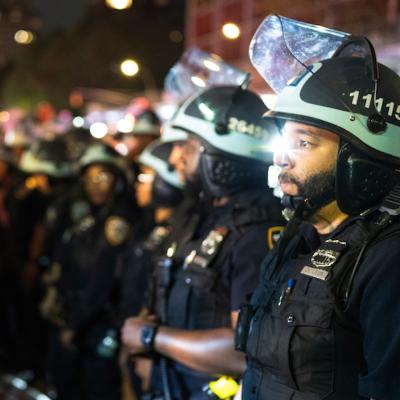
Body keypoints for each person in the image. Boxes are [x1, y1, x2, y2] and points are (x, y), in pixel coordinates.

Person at [238, 15, 400, 400]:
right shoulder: (298, 237)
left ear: (361, 157)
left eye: (305, 143)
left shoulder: (389, 258)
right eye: (285, 142)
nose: (282, 160)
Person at [122, 85, 285, 399]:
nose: (175, 157)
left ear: (222, 158)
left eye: (187, 145)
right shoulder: (203, 215)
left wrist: (151, 336)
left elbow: (246, 349)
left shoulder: (256, 231)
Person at [47, 143, 138, 400]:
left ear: (118, 181)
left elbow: (101, 278)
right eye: (89, 178)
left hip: (99, 323)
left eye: (102, 177)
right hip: (81, 317)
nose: (94, 184)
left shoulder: (117, 220)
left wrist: (74, 324)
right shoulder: (90, 216)